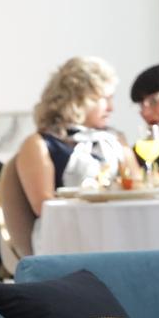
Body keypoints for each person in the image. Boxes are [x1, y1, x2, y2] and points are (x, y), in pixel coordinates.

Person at [15, 56, 135, 218]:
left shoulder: (115, 140)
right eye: (105, 99)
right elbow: (44, 206)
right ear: (79, 99)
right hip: (70, 228)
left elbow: (137, 189)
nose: (111, 108)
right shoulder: (39, 144)